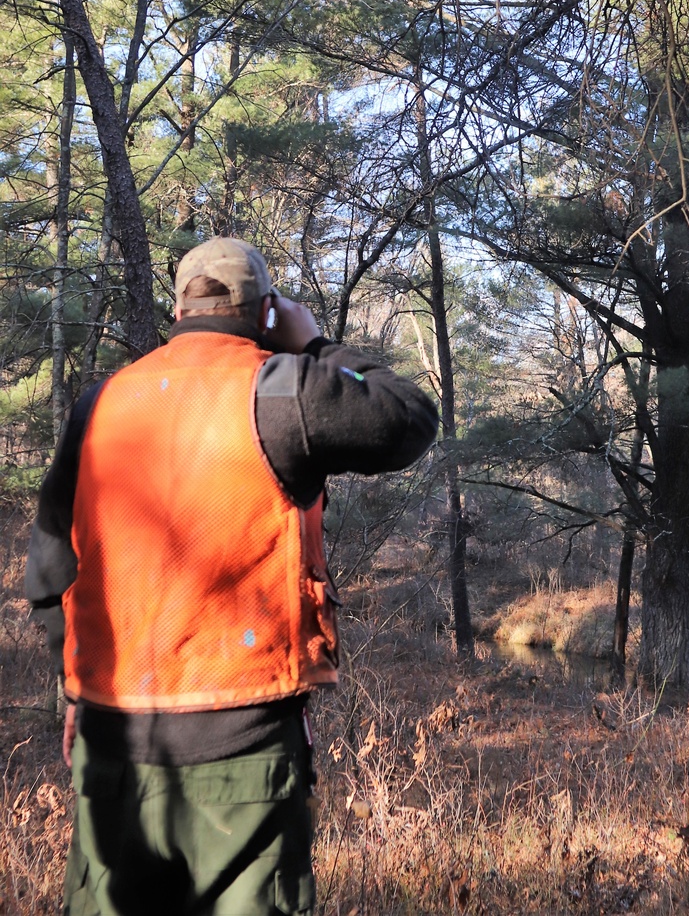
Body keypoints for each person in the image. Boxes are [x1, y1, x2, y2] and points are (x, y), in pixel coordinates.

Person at [25, 237, 438, 916]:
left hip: (109, 752)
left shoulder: (98, 405)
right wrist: (314, 343)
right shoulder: (282, 389)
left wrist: (76, 688)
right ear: (265, 312)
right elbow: (410, 416)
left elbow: (49, 570)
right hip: (242, 756)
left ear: (178, 310)